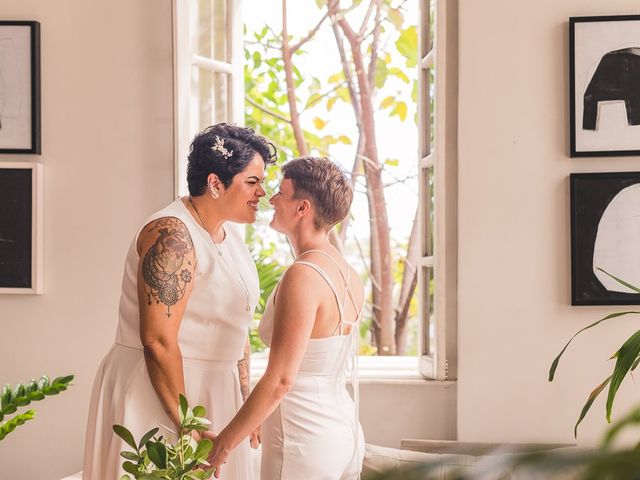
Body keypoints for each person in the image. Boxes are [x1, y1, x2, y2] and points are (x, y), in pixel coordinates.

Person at [82, 123, 276, 479]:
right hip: (161, 390)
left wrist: (245, 400)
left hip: (219, 390)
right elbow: (157, 340)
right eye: (253, 182)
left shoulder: (229, 235)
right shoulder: (172, 235)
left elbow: (237, 324)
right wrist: (187, 424)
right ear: (215, 183)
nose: (262, 192)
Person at [209, 156, 365, 480]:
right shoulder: (348, 273)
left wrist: (222, 446)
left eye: (281, 192)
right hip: (344, 431)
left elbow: (281, 380)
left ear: (302, 208)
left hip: (302, 436)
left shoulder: (303, 274)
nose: (271, 198)